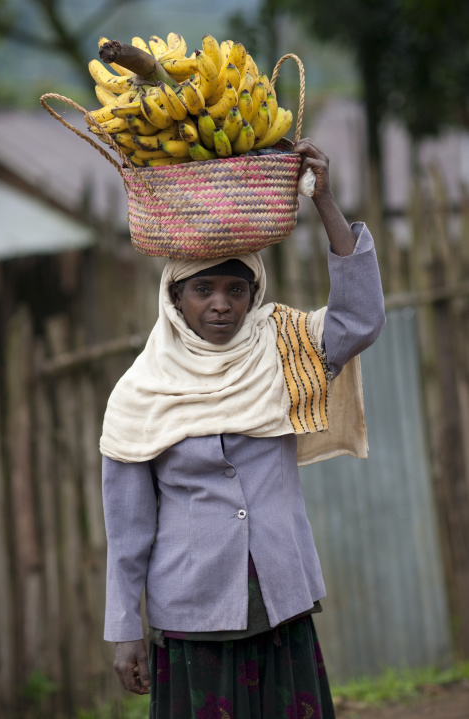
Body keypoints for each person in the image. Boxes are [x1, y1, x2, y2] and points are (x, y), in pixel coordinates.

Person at [100, 138, 386, 718]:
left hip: (282, 596)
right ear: (175, 300)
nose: (221, 304)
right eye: (203, 290)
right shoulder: (140, 394)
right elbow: (128, 531)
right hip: (192, 613)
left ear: (255, 295)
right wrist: (124, 627)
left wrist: (324, 201)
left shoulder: (284, 350)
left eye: (237, 290)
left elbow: (360, 318)